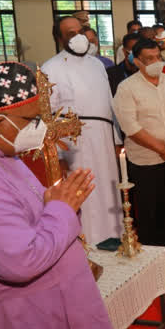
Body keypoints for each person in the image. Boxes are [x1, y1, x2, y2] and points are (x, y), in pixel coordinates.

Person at [0, 61, 150, 329]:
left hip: (60, 311)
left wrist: (61, 206)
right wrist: (63, 209)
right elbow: (19, 259)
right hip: (33, 325)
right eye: (32, 118)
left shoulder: (8, 157)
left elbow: (41, 214)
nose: (40, 127)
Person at [113, 37, 165, 262]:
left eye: (158, 56)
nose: (156, 61)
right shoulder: (126, 88)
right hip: (145, 159)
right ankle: (151, 255)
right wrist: (162, 148)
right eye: (149, 59)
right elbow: (130, 126)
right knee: (149, 209)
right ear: (136, 61)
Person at [43, 16, 123, 245]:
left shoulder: (98, 64)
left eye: (80, 30)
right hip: (75, 143)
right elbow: (49, 117)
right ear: (59, 39)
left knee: (109, 189)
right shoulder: (51, 68)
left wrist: (116, 138)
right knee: (86, 192)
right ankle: (90, 242)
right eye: (70, 33)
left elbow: (109, 104)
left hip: (104, 140)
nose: (78, 36)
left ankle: (114, 237)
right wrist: (58, 156)